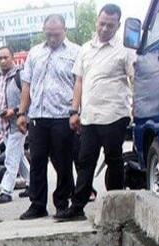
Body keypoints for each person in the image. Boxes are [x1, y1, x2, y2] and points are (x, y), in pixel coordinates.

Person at [58, 3, 135, 221]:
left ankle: (115, 206)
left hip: (115, 114)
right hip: (89, 117)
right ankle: (77, 207)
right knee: (85, 161)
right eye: (102, 24)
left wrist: (136, 104)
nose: (104, 29)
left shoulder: (125, 49)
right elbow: (79, 82)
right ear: (96, 22)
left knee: (114, 160)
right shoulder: (85, 49)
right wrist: (74, 111)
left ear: (118, 25)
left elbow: (134, 78)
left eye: (110, 25)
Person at [16, 14, 80, 220]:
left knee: (63, 163)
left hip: (63, 115)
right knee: (37, 162)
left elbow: (80, 84)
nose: (52, 38)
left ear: (65, 31)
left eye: (57, 34)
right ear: (43, 31)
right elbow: (27, 85)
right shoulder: (35, 53)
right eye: (49, 34)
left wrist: (76, 112)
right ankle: (37, 205)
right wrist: (22, 113)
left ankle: (62, 203)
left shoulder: (76, 52)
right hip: (38, 116)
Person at [0, 46, 30, 205]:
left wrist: (14, 111)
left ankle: (6, 191)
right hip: (3, 127)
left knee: (11, 158)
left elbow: (29, 99)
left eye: (5, 57)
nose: (2, 61)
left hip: (17, 125)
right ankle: (32, 183)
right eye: (0, 58)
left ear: (12, 58)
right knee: (18, 157)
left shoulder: (20, 76)